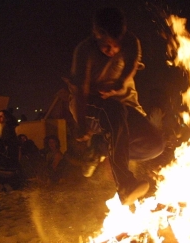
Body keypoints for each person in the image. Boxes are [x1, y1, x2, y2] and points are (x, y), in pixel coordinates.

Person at [67, 6, 165, 205]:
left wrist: (121, 82)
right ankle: (125, 184)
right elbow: (80, 92)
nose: (112, 51)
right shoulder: (85, 51)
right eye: (107, 46)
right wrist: (81, 125)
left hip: (125, 108)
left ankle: (100, 148)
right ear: (97, 35)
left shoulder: (131, 42)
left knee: (155, 144)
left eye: (116, 45)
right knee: (113, 109)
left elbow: (131, 63)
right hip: (91, 108)